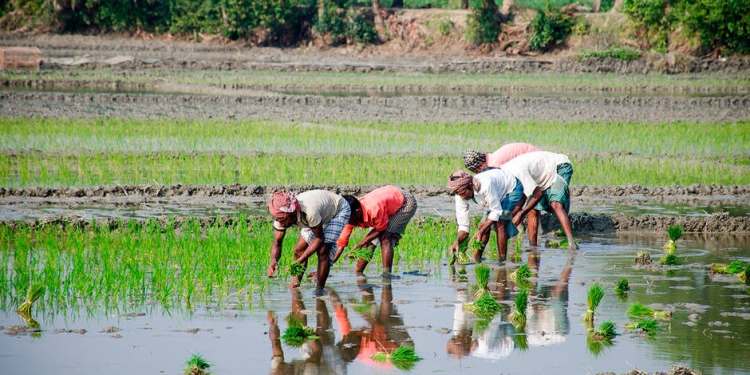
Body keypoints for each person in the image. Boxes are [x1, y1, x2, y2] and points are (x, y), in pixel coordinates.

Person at [267, 190, 350, 291]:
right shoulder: (280, 217)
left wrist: (301, 260)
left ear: (292, 213)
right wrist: (274, 261)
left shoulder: (309, 212)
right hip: (319, 214)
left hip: (338, 210)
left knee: (323, 251)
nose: (280, 224)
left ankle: (319, 290)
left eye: (283, 220)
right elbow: (277, 242)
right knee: (298, 249)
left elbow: (319, 238)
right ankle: (295, 286)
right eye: (278, 220)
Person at [335, 186, 418, 279]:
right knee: (370, 242)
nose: (344, 220)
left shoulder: (373, 210)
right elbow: (340, 246)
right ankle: (358, 273)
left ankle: (387, 275)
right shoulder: (348, 217)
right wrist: (325, 266)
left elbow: (381, 228)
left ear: (357, 212)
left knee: (386, 237)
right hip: (387, 202)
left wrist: (360, 244)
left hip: (405, 202)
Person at [501, 151, 578, 250]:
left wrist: (521, 214)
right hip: (542, 177)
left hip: (559, 167)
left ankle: (572, 243)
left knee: (556, 204)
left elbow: (538, 194)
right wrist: (510, 216)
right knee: (532, 209)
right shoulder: (506, 176)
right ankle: (533, 246)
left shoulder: (517, 172)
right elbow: (523, 197)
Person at [447, 169, 524, 263]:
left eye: (463, 193)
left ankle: (502, 261)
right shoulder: (460, 194)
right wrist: (457, 243)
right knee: (482, 225)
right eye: (459, 195)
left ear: (471, 185)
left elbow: (496, 211)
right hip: (493, 195)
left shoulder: (485, 186)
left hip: (511, 188)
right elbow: (464, 226)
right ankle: (477, 258)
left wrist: (481, 231)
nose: (462, 197)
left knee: (500, 223)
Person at [462, 142, 541, 174]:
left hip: (536, 160)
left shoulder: (494, 164)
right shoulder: (493, 157)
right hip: (535, 155)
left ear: (480, 165)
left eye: (477, 171)